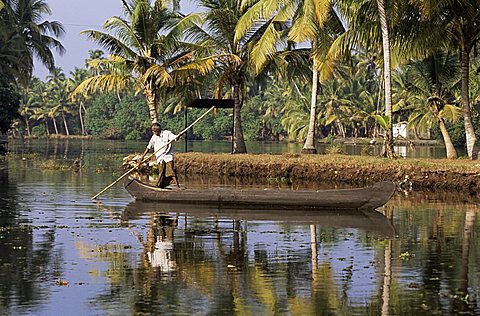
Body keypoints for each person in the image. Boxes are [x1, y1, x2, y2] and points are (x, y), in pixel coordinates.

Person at [139, 122, 180, 188]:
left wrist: (179, 135)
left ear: (159, 129)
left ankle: (178, 187)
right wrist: (142, 157)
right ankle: (160, 186)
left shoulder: (167, 133)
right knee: (161, 173)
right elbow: (148, 147)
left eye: (155, 131)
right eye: (153, 131)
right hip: (160, 158)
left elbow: (175, 138)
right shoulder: (154, 137)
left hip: (168, 156)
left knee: (170, 172)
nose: (154, 132)